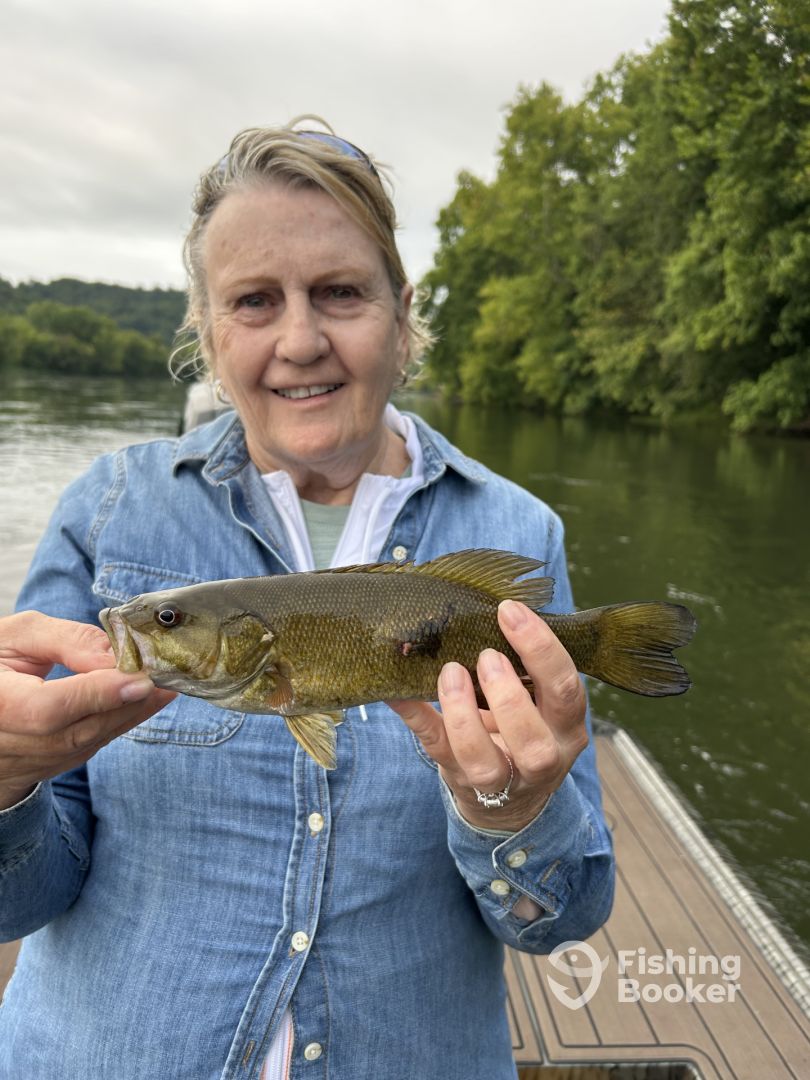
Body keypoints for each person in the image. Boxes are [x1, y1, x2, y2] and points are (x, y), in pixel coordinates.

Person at [0, 119, 614, 1080]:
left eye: (340, 292)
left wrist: (513, 810)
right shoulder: (106, 511)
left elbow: (560, 919)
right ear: (208, 332)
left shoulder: (519, 529)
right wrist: (6, 782)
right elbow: (20, 899)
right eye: (254, 301)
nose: (300, 340)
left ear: (403, 315)